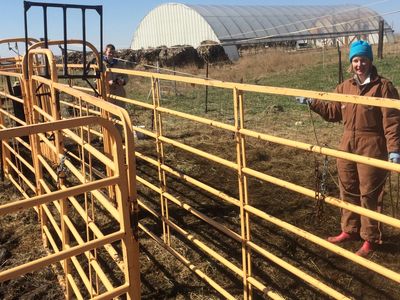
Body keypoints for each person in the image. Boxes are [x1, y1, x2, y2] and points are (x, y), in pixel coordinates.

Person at [307, 40, 400, 257]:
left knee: (369, 192)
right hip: (347, 143)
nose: (359, 65)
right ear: (351, 63)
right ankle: (349, 230)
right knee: (347, 187)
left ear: (370, 61)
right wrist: (313, 102)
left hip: (372, 145)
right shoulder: (345, 87)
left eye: (363, 60)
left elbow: (393, 121)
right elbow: (333, 112)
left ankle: (370, 238)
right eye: (356, 60)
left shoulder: (383, 87)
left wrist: (394, 148)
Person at [103, 43, 129, 108]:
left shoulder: (119, 64)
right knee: (109, 112)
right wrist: (107, 82)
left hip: (119, 92)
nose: (111, 54)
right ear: (105, 52)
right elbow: (96, 80)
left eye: (113, 53)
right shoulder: (101, 65)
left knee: (120, 111)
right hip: (107, 92)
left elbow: (126, 77)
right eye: (109, 52)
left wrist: (123, 81)